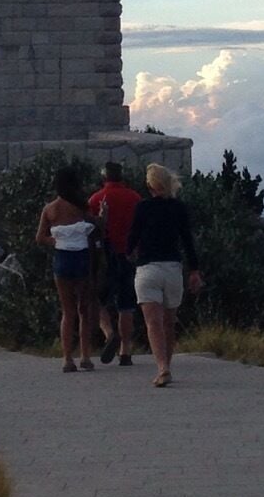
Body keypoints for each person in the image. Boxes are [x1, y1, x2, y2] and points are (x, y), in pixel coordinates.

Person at [125, 161, 201, 388]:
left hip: (148, 268)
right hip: (172, 269)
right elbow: (188, 241)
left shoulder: (142, 207)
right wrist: (194, 270)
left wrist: (129, 252)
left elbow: (132, 237)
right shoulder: (179, 208)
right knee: (169, 322)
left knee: (153, 323)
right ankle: (165, 366)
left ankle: (162, 368)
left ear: (150, 186)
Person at [34, 163, 99, 373]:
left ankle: (67, 358)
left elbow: (40, 237)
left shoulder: (50, 208)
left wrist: (57, 240)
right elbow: (96, 227)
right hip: (81, 258)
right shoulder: (82, 206)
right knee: (84, 309)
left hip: (62, 259)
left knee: (67, 310)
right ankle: (86, 356)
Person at [87, 160, 143, 367]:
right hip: (129, 255)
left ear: (104, 177)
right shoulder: (135, 198)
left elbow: (89, 228)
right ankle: (125, 350)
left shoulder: (95, 199)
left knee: (97, 299)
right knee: (126, 304)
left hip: (106, 256)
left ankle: (110, 333)